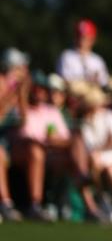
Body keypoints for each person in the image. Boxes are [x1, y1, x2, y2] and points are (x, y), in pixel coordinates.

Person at [13, 73, 73, 220]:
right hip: (23, 152)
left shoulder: (52, 112)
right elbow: (23, 132)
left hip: (50, 154)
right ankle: (36, 204)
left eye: (42, 89)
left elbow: (67, 140)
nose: (38, 93)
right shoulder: (21, 109)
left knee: (70, 156)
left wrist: (52, 142)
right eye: (35, 89)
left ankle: (63, 203)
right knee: (36, 152)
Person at [76, 86, 112, 227]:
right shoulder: (85, 124)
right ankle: (101, 204)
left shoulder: (110, 116)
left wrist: (101, 149)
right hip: (98, 161)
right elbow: (91, 147)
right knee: (89, 170)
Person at [0, 48, 30, 221]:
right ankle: (5, 204)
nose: (24, 70)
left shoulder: (16, 88)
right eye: (20, 67)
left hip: (9, 140)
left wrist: (22, 94)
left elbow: (23, 122)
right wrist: (12, 95)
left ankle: (33, 205)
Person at [57, 18, 109, 86]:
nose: (81, 40)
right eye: (79, 36)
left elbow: (104, 83)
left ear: (92, 39)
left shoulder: (97, 60)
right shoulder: (66, 56)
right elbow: (65, 82)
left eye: (85, 37)